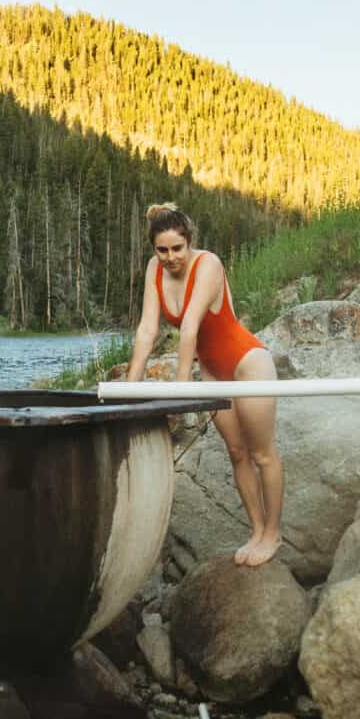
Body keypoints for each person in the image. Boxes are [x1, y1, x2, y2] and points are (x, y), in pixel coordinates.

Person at [125, 203, 284, 567]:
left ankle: (273, 534)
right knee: (237, 453)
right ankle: (257, 531)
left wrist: (182, 388)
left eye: (177, 249)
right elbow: (148, 329)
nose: (170, 258)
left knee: (262, 453)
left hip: (248, 364)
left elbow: (191, 327)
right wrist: (130, 388)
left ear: (189, 243)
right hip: (214, 371)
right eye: (161, 250)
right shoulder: (155, 269)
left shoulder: (208, 264)